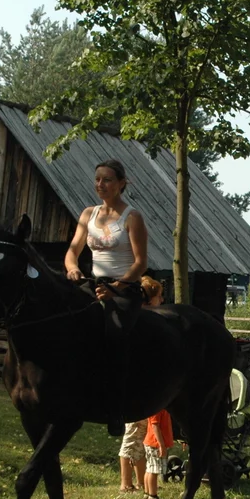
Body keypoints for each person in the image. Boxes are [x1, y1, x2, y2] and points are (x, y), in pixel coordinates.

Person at [63, 159, 150, 435]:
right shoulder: (88, 214)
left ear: (122, 183)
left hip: (125, 288)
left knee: (115, 336)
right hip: (92, 284)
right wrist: (74, 268)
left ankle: (116, 407)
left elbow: (140, 263)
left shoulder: (132, 217)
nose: (101, 184)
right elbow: (72, 251)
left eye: (107, 180)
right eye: (98, 179)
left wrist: (117, 287)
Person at [116, 277, 165, 493]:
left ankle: (137, 481)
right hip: (137, 393)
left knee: (138, 445)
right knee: (130, 443)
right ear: (149, 298)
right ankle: (126, 483)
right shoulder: (141, 320)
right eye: (159, 297)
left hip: (141, 393)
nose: (162, 300)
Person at [143, 406, 173, 499]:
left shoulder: (163, 407)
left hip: (151, 442)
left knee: (149, 468)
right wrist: (161, 445)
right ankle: (153, 496)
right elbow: (154, 425)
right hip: (155, 444)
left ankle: (147, 493)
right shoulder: (156, 408)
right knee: (154, 471)